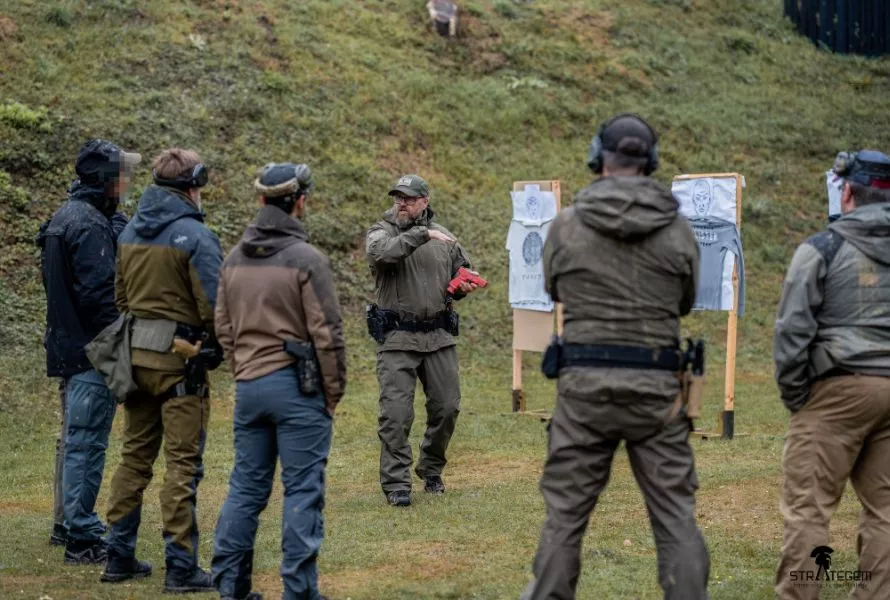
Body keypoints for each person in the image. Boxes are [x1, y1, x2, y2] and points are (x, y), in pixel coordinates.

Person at [520, 114, 709, 600]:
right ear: (652, 161)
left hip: (584, 389)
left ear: (596, 156)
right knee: (675, 519)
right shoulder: (679, 230)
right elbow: (686, 301)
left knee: (564, 517)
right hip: (658, 391)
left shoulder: (567, 225)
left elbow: (553, 288)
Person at [210, 163, 346, 600]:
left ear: (261, 201)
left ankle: (230, 588)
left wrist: (243, 369)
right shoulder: (307, 260)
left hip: (250, 388)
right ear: (299, 201)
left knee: (245, 489)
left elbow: (223, 327)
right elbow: (328, 333)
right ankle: (299, 592)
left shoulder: (234, 258)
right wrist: (332, 392)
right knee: (303, 491)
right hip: (297, 389)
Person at [101, 148, 224, 594]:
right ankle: (181, 567)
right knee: (182, 466)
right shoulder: (195, 236)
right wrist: (214, 347)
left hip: (134, 361)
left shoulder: (130, 229)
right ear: (194, 186)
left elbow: (119, 298)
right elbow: (217, 308)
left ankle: (118, 556)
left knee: (133, 460)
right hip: (180, 366)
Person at [774, 150, 890, 600]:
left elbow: (791, 329)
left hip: (835, 387)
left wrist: (797, 395)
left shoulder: (822, 248)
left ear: (846, 193)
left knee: (809, 509)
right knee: (885, 513)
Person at [35, 139, 140, 563]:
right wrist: (120, 346)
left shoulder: (70, 217)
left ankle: (67, 525)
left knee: (73, 440)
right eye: (121, 174)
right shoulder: (89, 225)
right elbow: (101, 297)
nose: (127, 181)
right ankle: (81, 536)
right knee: (87, 443)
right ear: (104, 179)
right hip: (91, 352)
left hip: (69, 344)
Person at [365, 174, 480, 507]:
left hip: (439, 336)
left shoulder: (444, 237)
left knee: (447, 408)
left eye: (409, 198)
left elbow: (463, 270)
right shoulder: (381, 232)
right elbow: (382, 255)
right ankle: (397, 483)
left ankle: (431, 468)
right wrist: (419, 235)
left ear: (425, 202)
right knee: (396, 416)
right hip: (398, 338)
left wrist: (462, 286)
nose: (402, 203)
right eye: (398, 197)